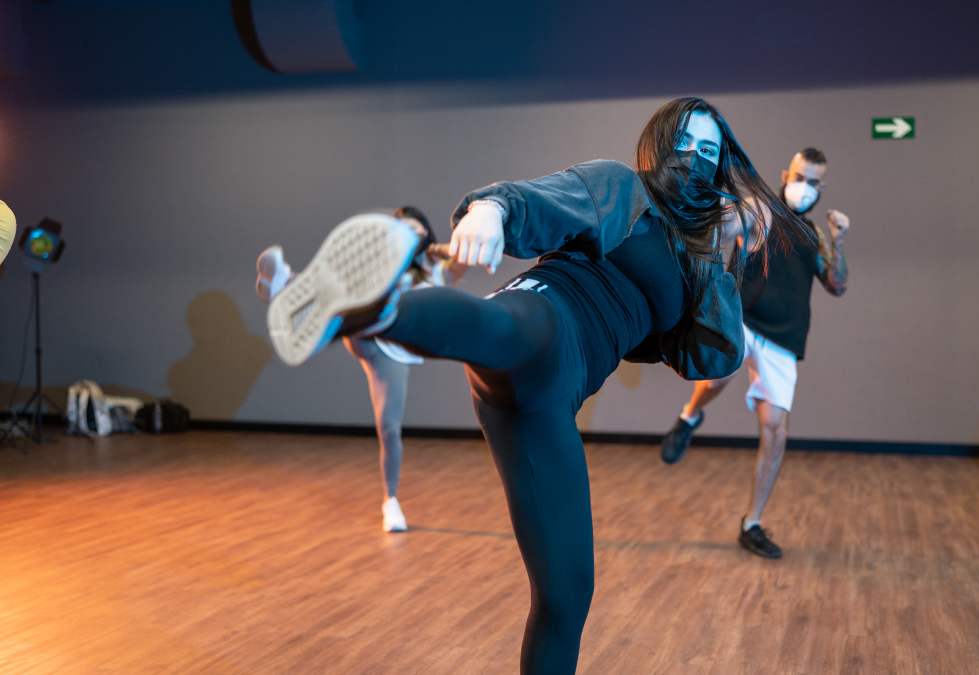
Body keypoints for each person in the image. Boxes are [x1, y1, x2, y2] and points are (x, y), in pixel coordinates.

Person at [265, 97, 815, 674]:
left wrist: (724, 251)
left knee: (567, 593)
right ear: (658, 145)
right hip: (547, 313)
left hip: (552, 397)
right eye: (684, 142)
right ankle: (365, 311)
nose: (694, 157)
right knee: (507, 329)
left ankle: (354, 310)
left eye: (708, 150)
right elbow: (545, 197)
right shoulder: (624, 187)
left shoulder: (696, 266)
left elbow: (713, 356)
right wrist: (490, 210)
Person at [659, 147, 850, 559]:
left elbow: (836, 285)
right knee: (720, 376)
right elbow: (728, 226)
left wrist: (838, 241)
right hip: (742, 317)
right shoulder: (759, 209)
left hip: (783, 337)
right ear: (785, 175)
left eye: (813, 182)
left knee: (776, 432)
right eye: (799, 177)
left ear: (822, 187)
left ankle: (752, 524)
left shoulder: (814, 235)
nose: (804, 187)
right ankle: (689, 416)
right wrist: (719, 214)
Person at [255, 206, 455, 533]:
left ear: (425, 232)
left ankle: (391, 500)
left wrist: (447, 245)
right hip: (367, 335)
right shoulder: (380, 265)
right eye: (402, 228)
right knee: (351, 295)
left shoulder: (437, 269)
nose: (409, 233)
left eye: (415, 228)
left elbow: (459, 257)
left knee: (388, 427)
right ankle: (286, 284)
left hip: (395, 347)